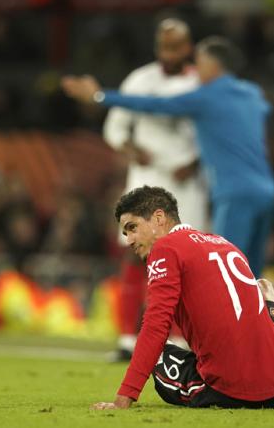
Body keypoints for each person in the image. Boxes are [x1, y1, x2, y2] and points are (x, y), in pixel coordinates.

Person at [61, 36, 274, 280]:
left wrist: (99, 96)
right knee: (252, 272)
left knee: (226, 270)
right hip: (267, 190)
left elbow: (156, 104)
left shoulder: (207, 96)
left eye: (200, 63)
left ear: (213, 65)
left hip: (235, 193)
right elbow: (264, 110)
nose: (196, 70)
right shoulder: (252, 94)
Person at [91, 185, 274, 410]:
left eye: (132, 228)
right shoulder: (224, 243)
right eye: (126, 233)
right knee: (264, 288)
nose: (129, 240)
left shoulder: (164, 248)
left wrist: (124, 398)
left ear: (158, 218)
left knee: (158, 355)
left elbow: (156, 325)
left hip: (234, 390)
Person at [102, 18, 208, 360]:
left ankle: (178, 341)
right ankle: (126, 339)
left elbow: (217, 132)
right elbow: (115, 128)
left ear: (188, 48)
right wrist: (133, 150)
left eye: (176, 47)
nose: (169, 54)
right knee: (133, 255)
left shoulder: (201, 82)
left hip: (186, 184)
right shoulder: (140, 80)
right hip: (146, 181)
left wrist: (198, 161)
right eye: (164, 47)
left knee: (187, 261)